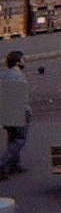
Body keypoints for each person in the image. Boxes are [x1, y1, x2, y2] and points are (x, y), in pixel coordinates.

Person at [0, 49, 30, 177]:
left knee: (12, 137)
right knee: (19, 139)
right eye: (23, 60)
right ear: (18, 63)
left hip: (6, 109)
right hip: (17, 109)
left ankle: (13, 164)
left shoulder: (4, 74)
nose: (25, 62)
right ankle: (3, 164)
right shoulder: (18, 76)